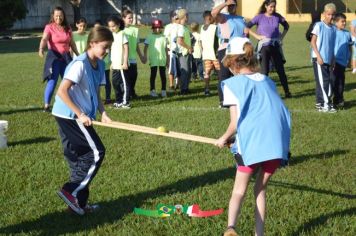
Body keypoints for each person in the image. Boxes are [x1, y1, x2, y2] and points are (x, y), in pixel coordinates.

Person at [215, 37, 291, 236]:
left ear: (232, 63)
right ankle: (260, 234)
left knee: (239, 190)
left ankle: (231, 228)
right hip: (276, 144)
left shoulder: (232, 84)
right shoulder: (267, 79)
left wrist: (223, 138)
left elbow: (234, 123)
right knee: (260, 189)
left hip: (252, 146)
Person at [51, 26, 113, 215]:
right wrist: (80, 114)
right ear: (92, 44)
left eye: (109, 47)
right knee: (95, 153)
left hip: (74, 115)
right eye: (104, 46)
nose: (107, 51)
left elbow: (96, 91)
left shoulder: (100, 64)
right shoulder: (80, 64)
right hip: (69, 115)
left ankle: (78, 203)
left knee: (79, 160)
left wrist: (103, 112)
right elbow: (62, 91)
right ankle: (69, 191)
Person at [247, 0, 292, 98]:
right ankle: (263, 94)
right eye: (270, 6)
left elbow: (286, 26)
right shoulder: (259, 17)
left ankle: (287, 92)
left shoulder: (277, 16)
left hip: (275, 46)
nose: (272, 8)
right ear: (266, 6)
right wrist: (257, 36)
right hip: (264, 47)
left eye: (274, 6)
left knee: (281, 70)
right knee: (264, 71)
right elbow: (246, 27)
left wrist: (281, 37)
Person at [38, 6, 79, 112]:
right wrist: (41, 48)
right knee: (52, 81)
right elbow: (44, 39)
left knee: (71, 81)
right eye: (56, 15)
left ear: (63, 16)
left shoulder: (67, 28)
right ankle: (47, 105)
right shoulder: (49, 27)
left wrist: (78, 55)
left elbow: (72, 43)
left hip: (66, 59)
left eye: (60, 15)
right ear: (53, 16)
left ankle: (71, 103)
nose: (58, 18)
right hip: (54, 59)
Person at [212, 0, 248, 107]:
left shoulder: (241, 19)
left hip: (239, 49)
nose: (231, 7)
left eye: (233, 5)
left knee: (239, 74)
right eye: (229, 6)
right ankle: (222, 102)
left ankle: (238, 99)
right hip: (226, 49)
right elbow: (213, 13)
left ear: (236, 6)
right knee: (224, 75)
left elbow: (245, 33)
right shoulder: (223, 17)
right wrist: (225, 4)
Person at [310, 3, 337, 113]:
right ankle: (326, 105)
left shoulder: (334, 28)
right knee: (323, 82)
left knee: (330, 81)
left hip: (328, 59)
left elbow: (332, 45)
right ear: (324, 14)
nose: (330, 17)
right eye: (328, 14)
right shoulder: (319, 25)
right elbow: (313, 42)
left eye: (332, 15)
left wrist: (333, 58)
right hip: (319, 59)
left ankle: (320, 103)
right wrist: (319, 56)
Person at [107, 15, 130, 109]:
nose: (112, 28)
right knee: (115, 83)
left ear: (118, 25)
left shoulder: (122, 34)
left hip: (121, 64)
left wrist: (125, 62)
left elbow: (126, 48)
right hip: (115, 64)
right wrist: (112, 62)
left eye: (113, 26)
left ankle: (125, 102)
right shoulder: (112, 35)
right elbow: (113, 49)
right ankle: (118, 101)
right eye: (110, 26)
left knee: (124, 83)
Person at [331, 13, 352, 109]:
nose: (344, 23)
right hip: (335, 62)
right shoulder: (333, 32)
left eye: (345, 21)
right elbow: (331, 48)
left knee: (341, 82)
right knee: (336, 82)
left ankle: (339, 99)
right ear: (336, 22)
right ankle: (337, 100)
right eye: (342, 21)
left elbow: (349, 47)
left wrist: (349, 60)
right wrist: (333, 60)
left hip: (343, 62)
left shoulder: (347, 33)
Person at [122, 9, 144, 99]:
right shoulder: (121, 30)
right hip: (124, 58)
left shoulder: (135, 30)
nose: (131, 19)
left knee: (134, 76)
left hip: (133, 58)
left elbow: (137, 45)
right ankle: (126, 94)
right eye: (129, 18)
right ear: (123, 18)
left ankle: (132, 92)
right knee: (126, 79)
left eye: (132, 18)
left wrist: (141, 56)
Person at [143, 19, 168, 97]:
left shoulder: (164, 37)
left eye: (159, 27)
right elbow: (145, 47)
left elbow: (166, 49)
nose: (157, 29)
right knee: (153, 75)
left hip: (162, 59)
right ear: (153, 28)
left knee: (163, 75)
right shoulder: (149, 36)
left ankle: (163, 90)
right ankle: (152, 90)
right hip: (153, 59)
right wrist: (145, 56)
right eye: (156, 28)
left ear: (161, 28)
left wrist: (168, 59)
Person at [200, 10, 220, 96]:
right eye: (213, 17)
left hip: (206, 54)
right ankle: (221, 88)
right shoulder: (215, 27)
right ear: (209, 17)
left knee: (207, 72)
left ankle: (207, 89)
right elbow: (218, 40)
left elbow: (200, 42)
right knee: (220, 72)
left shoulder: (202, 28)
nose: (215, 18)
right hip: (215, 54)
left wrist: (203, 51)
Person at [94, 20, 112, 104]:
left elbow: (108, 51)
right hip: (96, 63)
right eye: (96, 28)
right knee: (97, 82)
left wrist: (101, 58)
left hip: (105, 63)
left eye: (99, 27)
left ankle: (108, 98)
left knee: (107, 81)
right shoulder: (93, 39)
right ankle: (97, 98)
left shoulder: (105, 39)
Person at [176, 8, 193, 95]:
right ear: (185, 16)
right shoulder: (181, 28)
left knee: (188, 71)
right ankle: (183, 89)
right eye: (187, 15)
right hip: (183, 53)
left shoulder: (184, 27)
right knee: (185, 71)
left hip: (186, 52)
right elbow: (180, 41)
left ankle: (186, 88)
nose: (188, 17)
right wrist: (189, 47)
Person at [164, 10, 180, 91]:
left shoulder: (181, 26)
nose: (176, 17)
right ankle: (171, 85)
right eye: (175, 16)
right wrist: (167, 49)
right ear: (171, 17)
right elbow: (165, 39)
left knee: (179, 68)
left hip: (180, 51)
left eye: (177, 16)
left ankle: (178, 84)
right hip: (171, 51)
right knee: (171, 69)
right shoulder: (168, 27)